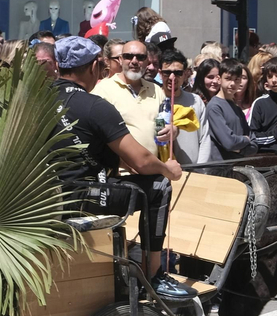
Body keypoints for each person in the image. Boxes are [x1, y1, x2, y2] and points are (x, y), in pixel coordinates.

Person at [49, 37, 188, 298]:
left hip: (46, 198)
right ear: (94, 67)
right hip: (85, 198)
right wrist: (168, 170)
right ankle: (154, 275)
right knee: (159, 186)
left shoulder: (38, 101)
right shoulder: (96, 105)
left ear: (58, 65)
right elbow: (142, 161)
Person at [93, 40, 172, 157]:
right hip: (120, 172)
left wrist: (172, 130)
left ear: (147, 61)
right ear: (120, 60)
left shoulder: (156, 90)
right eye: (128, 56)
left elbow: (164, 124)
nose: (134, 61)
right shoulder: (102, 91)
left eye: (140, 57)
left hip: (154, 169)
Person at [158, 49, 207, 164]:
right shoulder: (154, 100)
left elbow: (205, 138)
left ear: (185, 74)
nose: (172, 77)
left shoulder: (195, 101)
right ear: (160, 73)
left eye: (178, 73)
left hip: (193, 171)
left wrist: (201, 168)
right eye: (167, 73)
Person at [204, 59, 255, 157]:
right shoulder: (214, 107)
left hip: (237, 165)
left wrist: (241, 150)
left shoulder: (236, 108)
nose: (232, 84)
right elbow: (229, 142)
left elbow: (254, 144)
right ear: (219, 79)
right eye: (228, 78)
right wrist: (246, 140)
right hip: (221, 168)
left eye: (237, 79)